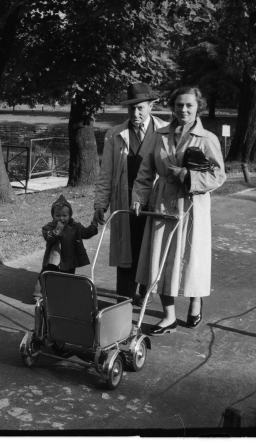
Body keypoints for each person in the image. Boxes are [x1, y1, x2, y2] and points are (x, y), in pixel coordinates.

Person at [131, 86, 226, 335]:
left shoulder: (208, 139)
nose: (183, 110)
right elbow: (145, 172)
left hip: (193, 203)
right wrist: (139, 197)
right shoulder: (158, 134)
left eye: (189, 105)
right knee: (160, 257)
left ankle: (195, 300)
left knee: (192, 256)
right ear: (172, 107)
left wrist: (186, 174)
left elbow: (218, 175)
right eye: (179, 105)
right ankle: (168, 316)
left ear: (198, 107)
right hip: (162, 200)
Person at [93, 83, 168, 305]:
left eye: (141, 108)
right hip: (124, 202)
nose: (135, 113)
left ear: (151, 106)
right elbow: (106, 173)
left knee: (150, 249)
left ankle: (145, 296)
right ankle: (123, 300)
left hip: (154, 203)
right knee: (126, 251)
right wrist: (100, 204)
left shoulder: (164, 131)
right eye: (131, 109)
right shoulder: (115, 135)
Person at [32, 194, 98, 299]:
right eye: (58, 215)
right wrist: (56, 231)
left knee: (67, 277)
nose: (61, 218)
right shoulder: (48, 227)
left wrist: (93, 226)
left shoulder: (75, 226)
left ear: (70, 216)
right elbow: (48, 237)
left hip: (69, 258)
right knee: (46, 275)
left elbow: (85, 233)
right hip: (53, 259)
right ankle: (39, 294)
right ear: (53, 216)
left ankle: (63, 295)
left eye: (64, 215)